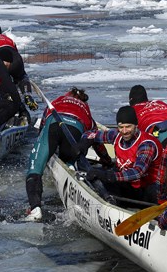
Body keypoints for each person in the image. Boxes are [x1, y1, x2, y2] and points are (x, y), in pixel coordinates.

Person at [25, 87, 107, 221]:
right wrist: (106, 160)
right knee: (69, 159)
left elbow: (42, 130)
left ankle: (35, 209)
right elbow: (95, 139)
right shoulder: (86, 110)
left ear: (68, 95)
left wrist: (44, 153)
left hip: (53, 123)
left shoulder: (57, 101)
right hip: (76, 129)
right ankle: (70, 168)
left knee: (35, 169)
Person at [77, 106, 163, 205]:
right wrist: (83, 144)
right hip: (128, 186)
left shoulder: (146, 144)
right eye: (121, 127)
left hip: (148, 191)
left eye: (128, 126)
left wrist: (109, 176)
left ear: (136, 125)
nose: (124, 131)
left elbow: (137, 172)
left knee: (107, 178)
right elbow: (90, 134)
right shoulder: (117, 135)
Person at [0, 21, 38, 113]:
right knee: (21, 76)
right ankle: (27, 95)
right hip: (15, 59)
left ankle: (7, 97)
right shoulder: (8, 39)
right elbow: (15, 51)